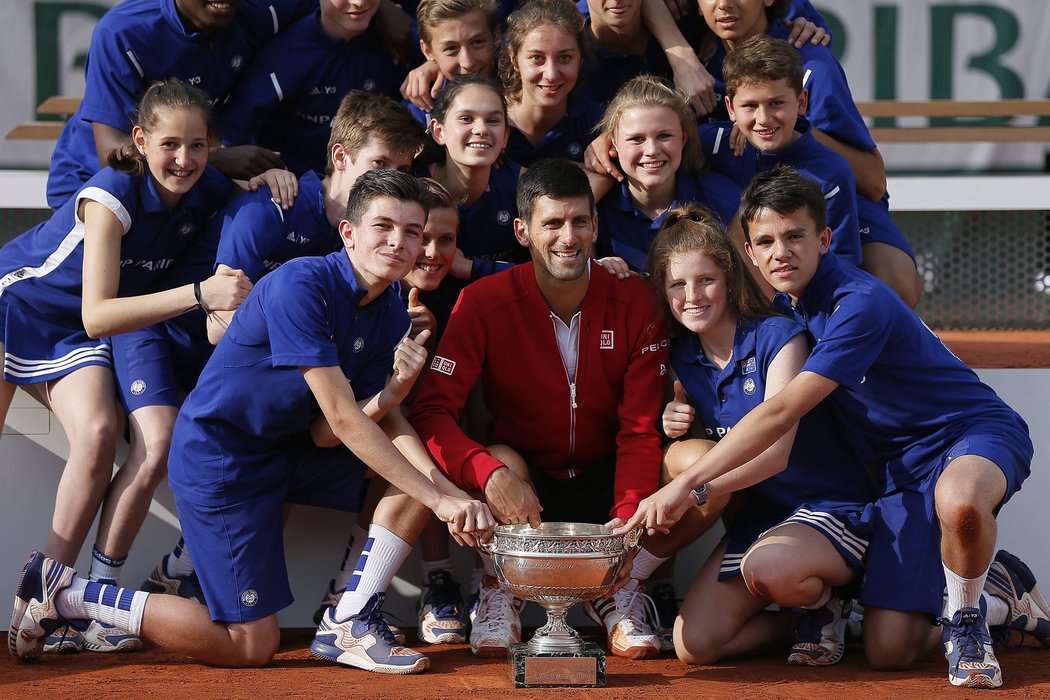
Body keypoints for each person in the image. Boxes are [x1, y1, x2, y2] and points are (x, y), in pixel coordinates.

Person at [10, 170, 495, 673]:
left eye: (413, 232)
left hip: (291, 450)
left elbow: (347, 429)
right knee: (251, 645)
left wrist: (444, 490)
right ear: (348, 232)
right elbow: (343, 421)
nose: (400, 242)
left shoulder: (392, 307)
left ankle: (349, 620)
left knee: (414, 481)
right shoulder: (303, 282)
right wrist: (441, 497)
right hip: (223, 459)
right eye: (384, 226)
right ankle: (71, 595)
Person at [619, 166, 1045, 689]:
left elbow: (778, 415)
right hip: (895, 472)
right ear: (749, 254)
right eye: (767, 241)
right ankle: (1001, 595)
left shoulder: (856, 303)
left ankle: (974, 616)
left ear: (825, 239)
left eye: (796, 235)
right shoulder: (783, 306)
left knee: (960, 505)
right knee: (889, 651)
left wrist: (686, 486)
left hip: (968, 430)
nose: (782, 252)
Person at [135, 90, 426, 621]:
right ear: (340, 157)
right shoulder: (270, 207)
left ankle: (348, 610)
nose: (391, 181)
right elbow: (219, 326)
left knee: (396, 461)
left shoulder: (380, 274)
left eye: (402, 169)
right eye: (380, 164)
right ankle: (167, 572)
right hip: (219, 389)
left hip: (300, 412)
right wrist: (299, 334)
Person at [0, 78, 252, 648]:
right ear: (139, 140)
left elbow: (245, 195)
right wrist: (201, 294)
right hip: (17, 302)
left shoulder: (203, 185)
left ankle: (51, 597)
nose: (183, 159)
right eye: (169, 145)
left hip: (74, 330)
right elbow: (97, 314)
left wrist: (268, 179)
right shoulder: (110, 193)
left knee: (97, 432)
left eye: (197, 146)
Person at [411, 158, 669, 660]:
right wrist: (486, 472)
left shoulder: (637, 301)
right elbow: (431, 412)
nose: (568, 238)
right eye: (552, 223)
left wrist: (622, 530)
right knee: (499, 455)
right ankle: (498, 585)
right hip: (524, 483)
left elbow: (639, 430)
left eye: (579, 221)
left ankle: (620, 588)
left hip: (608, 476)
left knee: (686, 464)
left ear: (596, 225)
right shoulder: (482, 302)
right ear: (523, 231)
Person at [643, 203, 875, 667]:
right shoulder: (681, 357)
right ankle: (813, 615)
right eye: (677, 285)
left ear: (729, 277)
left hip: (829, 505)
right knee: (696, 646)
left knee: (769, 568)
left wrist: (689, 493)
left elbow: (774, 455)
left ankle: (822, 598)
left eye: (705, 280)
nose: (693, 296)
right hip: (766, 516)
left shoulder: (778, 334)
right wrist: (673, 423)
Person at [45, 0, 317, 209]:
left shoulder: (256, 12)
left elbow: (344, 9)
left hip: (183, 184)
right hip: (95, 183)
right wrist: (215, 159)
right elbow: (112, 153)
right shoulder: (124, 31)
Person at [217, 0, 407, 177]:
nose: (358, 2)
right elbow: (230, 136)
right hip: (298, 188)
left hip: (382, 184)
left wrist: (429, 69)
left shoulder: (395, 35)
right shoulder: (284, 56)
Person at [592, 74, 741, 275]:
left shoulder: (724, 203)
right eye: (637, 139)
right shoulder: (594, 207)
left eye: (664, 136)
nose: (652, 150)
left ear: (683, 138)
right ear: (613, 144)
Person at [500, 0, 604, 165]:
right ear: (514, 59)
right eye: (537, 58)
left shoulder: (597, 122)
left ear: (581, 58)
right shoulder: (488, 121)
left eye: (564, 58)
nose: (551, 74)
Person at [400, 0, 502, 122]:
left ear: (496, 37)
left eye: (477, 42)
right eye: (451, 49)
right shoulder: (418, 112)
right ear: (428, 51)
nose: (467, 63)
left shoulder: (522, 79)